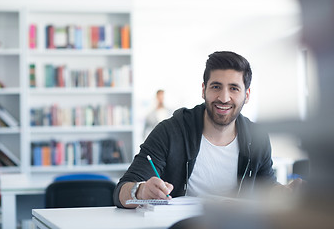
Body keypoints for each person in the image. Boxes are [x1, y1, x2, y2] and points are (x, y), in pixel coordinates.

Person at [113, 51, 302, 208]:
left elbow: (266, 187)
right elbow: (121, 192)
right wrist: (140, 190)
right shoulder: (170, 131)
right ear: (204, 90)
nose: (224, 97)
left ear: (247, 95)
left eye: (234, 88)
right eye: (216, 86)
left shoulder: (257, 138)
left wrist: (285, 193)